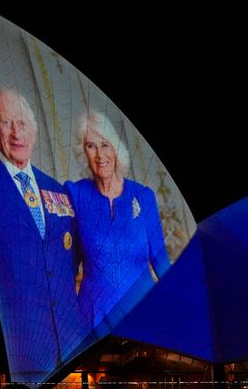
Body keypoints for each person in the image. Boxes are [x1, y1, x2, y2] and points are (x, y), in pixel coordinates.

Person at [0, 87, 84, 381]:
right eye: (7, 123)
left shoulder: (58, 190)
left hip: (73, 352)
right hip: (17, 357)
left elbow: (71, 264)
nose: (17, 133)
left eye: (23, 123)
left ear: (35, 129)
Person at [65, 110, 170, 335]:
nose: (99, 155)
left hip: (143, 317)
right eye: (90, 146)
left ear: (115, 148)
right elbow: (67, 265)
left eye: (104, 145)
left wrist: (180, 308)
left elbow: (161, 261)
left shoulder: (143, 196)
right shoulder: (75, 194)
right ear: (83, 152)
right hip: (92, 324)